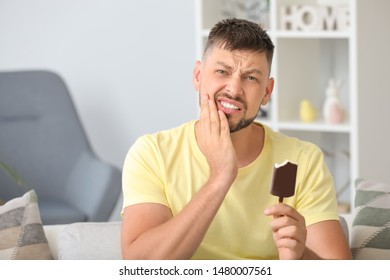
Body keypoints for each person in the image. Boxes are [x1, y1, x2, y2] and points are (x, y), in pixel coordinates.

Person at [121, 18, 352, 260]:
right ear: (198, 75)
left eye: (251, 78)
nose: (233, 89)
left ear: (267, 92)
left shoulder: (302, 159)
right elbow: (140, 265)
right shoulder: (151, 153)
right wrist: (220, 178)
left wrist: (299, 258)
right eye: (222, 71)